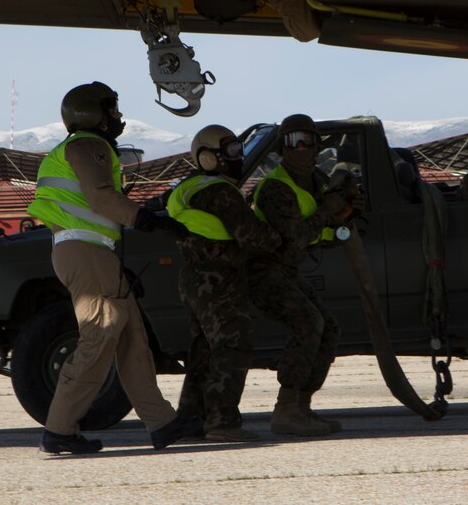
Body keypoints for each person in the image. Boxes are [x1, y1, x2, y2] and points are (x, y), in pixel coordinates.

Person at [26, 81, 202, 455]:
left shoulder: (79, 148)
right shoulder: (88, 146)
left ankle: (162, 424)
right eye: (112, 109)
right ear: (93, 113)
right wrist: (150, 220)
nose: (118, 116)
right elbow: (101, 198)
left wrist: (146, 215)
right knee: (100, 336)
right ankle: (58, 429)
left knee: (132, 340)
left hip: (93, 252)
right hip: (85, 251)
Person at [167, 124, 283, 442]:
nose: (237, 158)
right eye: (230, 152)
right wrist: (282, 234)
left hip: (194, 277)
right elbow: (253, 237)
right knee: (232, 345)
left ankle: (192, 419)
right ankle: (222, 422)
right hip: (217, 280)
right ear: (207, 158)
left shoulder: (188, 189)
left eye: (239, 150)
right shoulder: (218, 190)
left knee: (204, 351)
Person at [250, 114, 355, 436]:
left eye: (307, 141)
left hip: (286, 270)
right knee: (310, 323)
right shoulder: (276, 186)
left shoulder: (315, 183)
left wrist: (343, 218)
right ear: (283, 148)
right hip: (261, 270)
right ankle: (286, 409)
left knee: (329, 328)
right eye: (294, 141)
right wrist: (328, 210)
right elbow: (294, 236)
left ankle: (301, 406)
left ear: (317, 146)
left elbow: (316, 235)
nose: (301, 147)